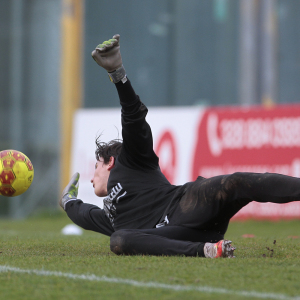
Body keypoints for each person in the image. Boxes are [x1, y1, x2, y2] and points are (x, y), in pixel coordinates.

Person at [60, 34, 300, 258]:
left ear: (111, 162)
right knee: (119, 239)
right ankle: (206, 251)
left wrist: (117, 74)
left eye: (96, 168)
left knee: (236, 183)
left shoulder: (133, 160)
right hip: (189, 235)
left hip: (191, 204)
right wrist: (67, 200)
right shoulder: (109, 217)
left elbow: (133, 118)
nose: (92, 179)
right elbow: (82, 213)